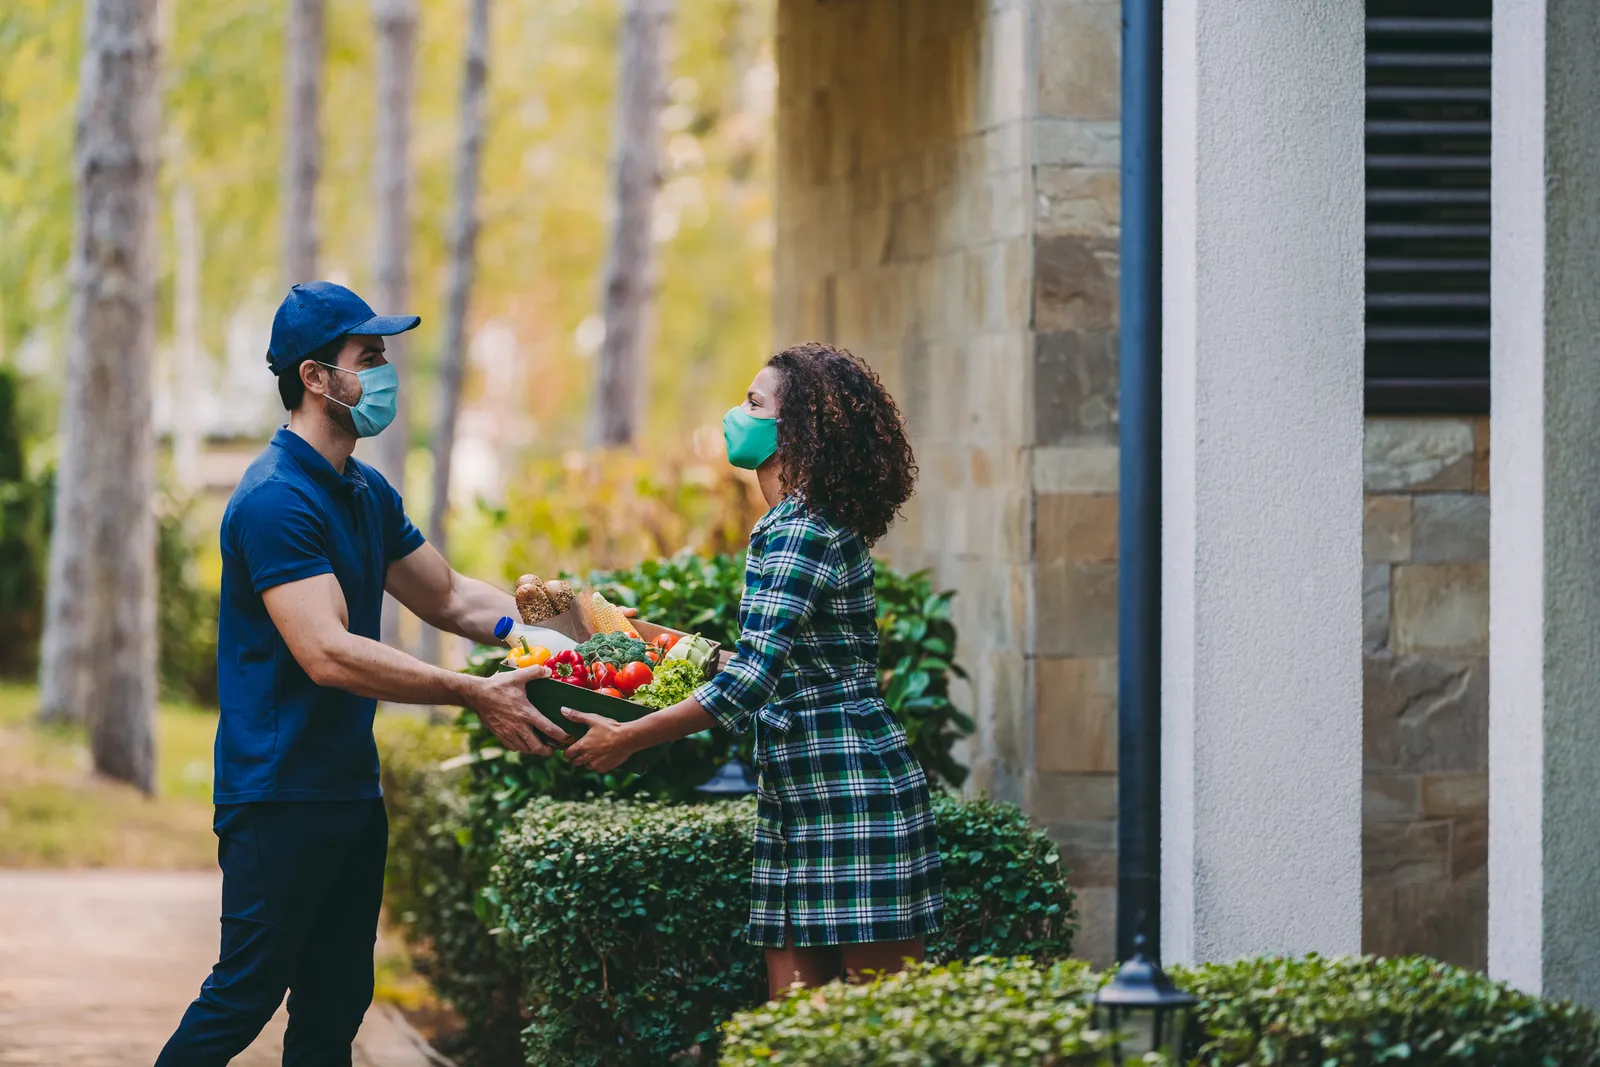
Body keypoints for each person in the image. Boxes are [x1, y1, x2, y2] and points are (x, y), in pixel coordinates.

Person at [156, 281, 567, 1066]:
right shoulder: (276, 500)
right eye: (367, 357)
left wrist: (552, 628)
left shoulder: (364, 490)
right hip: (279, 795)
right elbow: (326, 650)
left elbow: (448, 595)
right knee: (243, 995)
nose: (384, 374)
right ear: (316, 378)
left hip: (348, 791)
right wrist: (468, 688)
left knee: (336, 1003)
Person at [562, 341, 943, 998]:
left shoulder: (801, 528)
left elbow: (751, 683)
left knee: (884, 1025)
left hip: (851, 797)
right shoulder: (790, 524)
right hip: (799, 799)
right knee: (795, 1026)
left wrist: (627, 736)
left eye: (753, 403)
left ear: (796, 431)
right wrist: (630, 631)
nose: (736, 415)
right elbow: (762, 665)